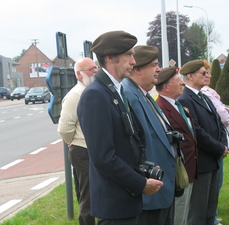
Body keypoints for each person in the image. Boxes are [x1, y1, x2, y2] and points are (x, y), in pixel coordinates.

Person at [77, 31, 163, 225]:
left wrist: (143, 169)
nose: (133, 61)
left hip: (124, 199)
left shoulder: (115, 89)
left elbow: (129, 139)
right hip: (114, 203)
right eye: (129, 55)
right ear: (110, 58)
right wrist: (141, 184)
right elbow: (103, 157)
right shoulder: (95, 95)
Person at [122, 45, 176, 225]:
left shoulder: (141, 94)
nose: (159, 69)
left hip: (161, 187)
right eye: (154, 65)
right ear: (138, 69)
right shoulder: (129, 94)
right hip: (149, 192)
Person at [178, 60, 229, 225]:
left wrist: (222, 145)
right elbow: (196, 131)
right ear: (191, 76)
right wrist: (218, 148)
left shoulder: (204, 97)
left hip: (213, 159)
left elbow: (218, 123)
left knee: (210, 208)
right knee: (198, 211)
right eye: (203, 73)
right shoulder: (185, 99)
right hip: (201, 162)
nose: (208, 75)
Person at [155, 66, 198, 225]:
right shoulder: (161, 108)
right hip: (176, 170)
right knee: (178, 215)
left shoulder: (177, 105)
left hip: (188, 167)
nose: (182, 83)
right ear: (166, 87)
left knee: (184, 213)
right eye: (178, 80)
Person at [57, 57, 97, 225]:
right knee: (87, 197)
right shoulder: (75, 95)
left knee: (91, 194)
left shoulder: (90, 91)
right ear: (79, 75)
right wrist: (71, 141)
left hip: (89, 151)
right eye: (91, 69)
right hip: (82, 151)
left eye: (96, 67)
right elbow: (65, 128)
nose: (95, 71)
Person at [201, 59, 229, 225]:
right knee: (212, 185)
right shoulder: (205, 94)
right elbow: (223, 116)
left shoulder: (207, 92)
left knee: (216, 183)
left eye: (208, 72)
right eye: (204, 73)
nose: (208, 75)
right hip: (212, 146)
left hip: (218, 143)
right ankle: (211, 218)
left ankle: (212, 216)